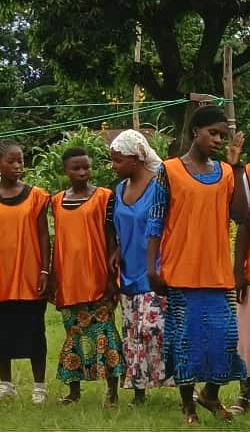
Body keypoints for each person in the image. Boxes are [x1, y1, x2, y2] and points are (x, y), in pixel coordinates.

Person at [146, 105, 247, 424]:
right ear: (195, 131)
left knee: (226, 339)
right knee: (185, 341)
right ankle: (188, 406)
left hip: (217, 273)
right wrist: (151, 267)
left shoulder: (225, 173)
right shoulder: (169, 170)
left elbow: (242, 214)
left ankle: (211, 394)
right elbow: (155, 219)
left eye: (222, 135)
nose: (218, 140)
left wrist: (236, 166)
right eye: (212, 133)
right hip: (181, 271)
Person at [0, 139, 50, 404]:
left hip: (29, 276)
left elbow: (44, 236)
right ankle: (6, 384)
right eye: (11, 161)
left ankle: (39, 386)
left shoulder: (37, 196)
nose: (18, 166)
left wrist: (45, 271)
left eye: (21, 161)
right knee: (0, 331)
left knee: (34, 331)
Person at [51, 146, 124, 406]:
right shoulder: (56, 201)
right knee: (74, 334)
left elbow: (111, 236)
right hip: (69, 280)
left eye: (86, 167)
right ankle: (74, 392)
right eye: (76, 168)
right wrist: (53, 277)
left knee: (105, 334)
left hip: (97, 278)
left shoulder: (104, 197)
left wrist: (112, 278)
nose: (82, 172)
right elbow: (58, 240)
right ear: (65, 171)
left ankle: (112, 392)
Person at [110, 130, 167, 406]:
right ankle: (138, 391)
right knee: (132, 332)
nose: (113, 166)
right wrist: (117, 250)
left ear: (135, 159)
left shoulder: (159, 188)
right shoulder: (119, 190)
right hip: (128, 271)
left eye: (118, 160)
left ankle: (183, 384)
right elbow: (122, 227)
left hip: (154, 271)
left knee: (155, 329)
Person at [231, 162, 250, 415]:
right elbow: (244, 222)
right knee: (246, 339)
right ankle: (246, 395)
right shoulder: (247, 173)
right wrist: (238, 272)